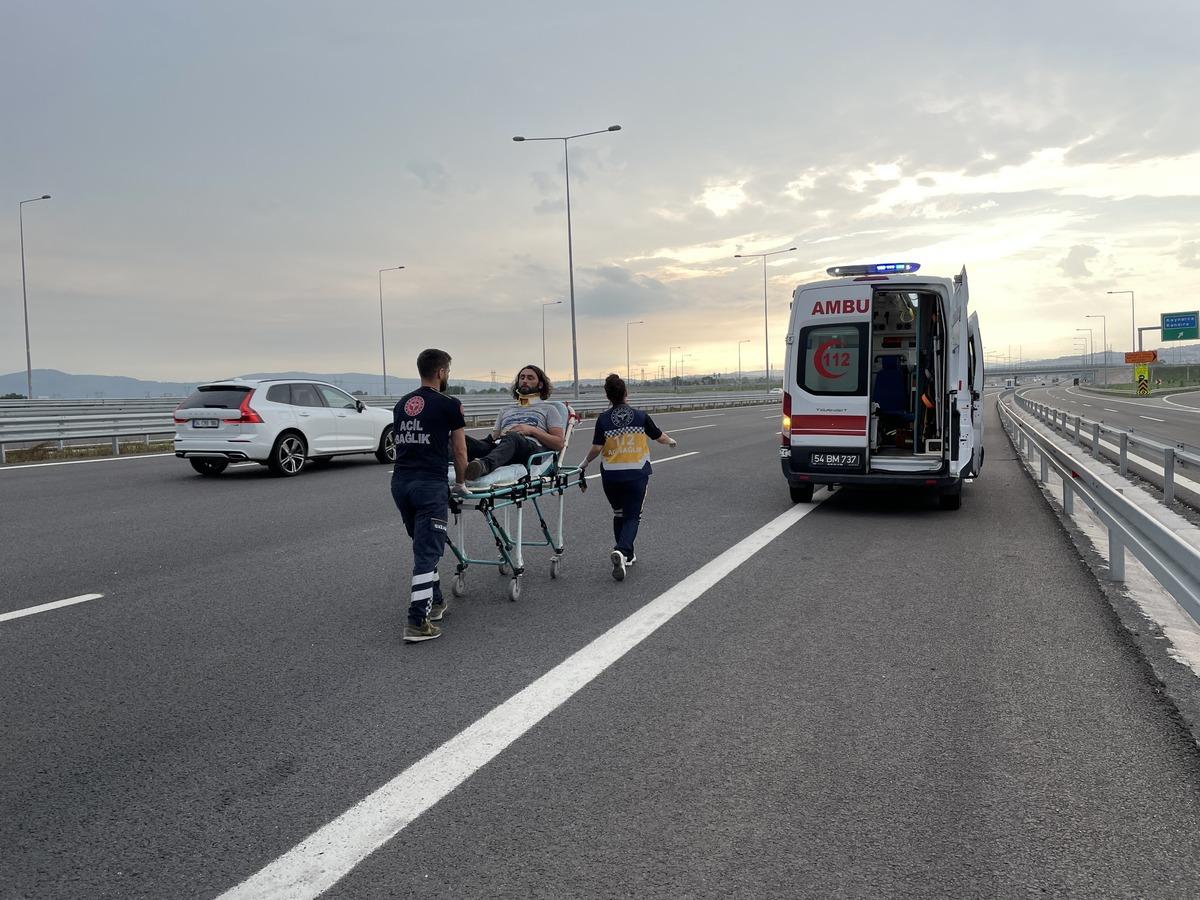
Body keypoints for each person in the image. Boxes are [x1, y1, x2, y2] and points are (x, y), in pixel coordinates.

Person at [391, 348, 469, 643]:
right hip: (429, 485)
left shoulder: (402, 403)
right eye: (448, 370)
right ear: (441, 372)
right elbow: (460, 451)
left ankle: (435, 602)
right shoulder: (449, 404)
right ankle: (417, 622)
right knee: (427, 552)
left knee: (423, 542)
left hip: (401, 484)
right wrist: (461, 483)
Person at [579, 373, 676, 581]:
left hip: (611, 476)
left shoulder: (603, 419)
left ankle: (627, 555)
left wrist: (585, 463)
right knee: (633, 516)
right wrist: (671, 441)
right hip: (636, 473)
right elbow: (659, 436)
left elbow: (597, 447)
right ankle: (622, 550)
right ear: (626, 393)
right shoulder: (640, 416)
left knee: (619, 513)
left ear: (608, 396)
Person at [463, 364, 565, 480]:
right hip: (502, 447)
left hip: (530, 451)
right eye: (522, 378)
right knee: (461, 439)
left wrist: (532, 430)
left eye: (530, 378)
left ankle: (483, 466)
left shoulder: (549, 409)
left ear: (540, 384)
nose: (524, 380)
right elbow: (493, 439)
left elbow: (559, 444)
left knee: (513, 437)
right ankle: (444, 468)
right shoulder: (505, 410)